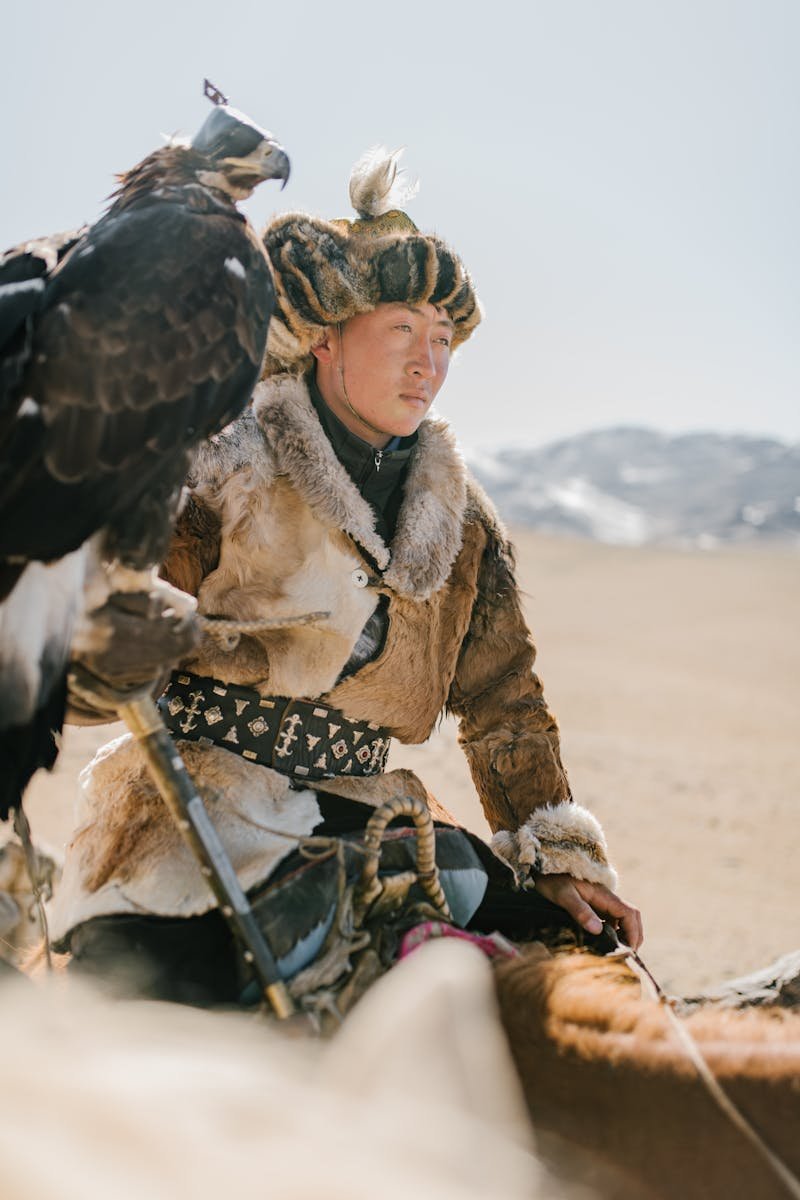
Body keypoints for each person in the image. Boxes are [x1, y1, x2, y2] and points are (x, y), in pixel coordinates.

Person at [48, 148, 641, 1004]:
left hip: (376, 812)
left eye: (443, 340)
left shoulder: (464, 525)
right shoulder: (220, 463)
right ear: (326, 337)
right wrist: (107, 644)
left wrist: (556, 855)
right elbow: (108, 625)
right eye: (402, 330)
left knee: (580, 959)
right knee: (160, 1007)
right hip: (202, 809)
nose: (427, 363)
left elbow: (503, 700)